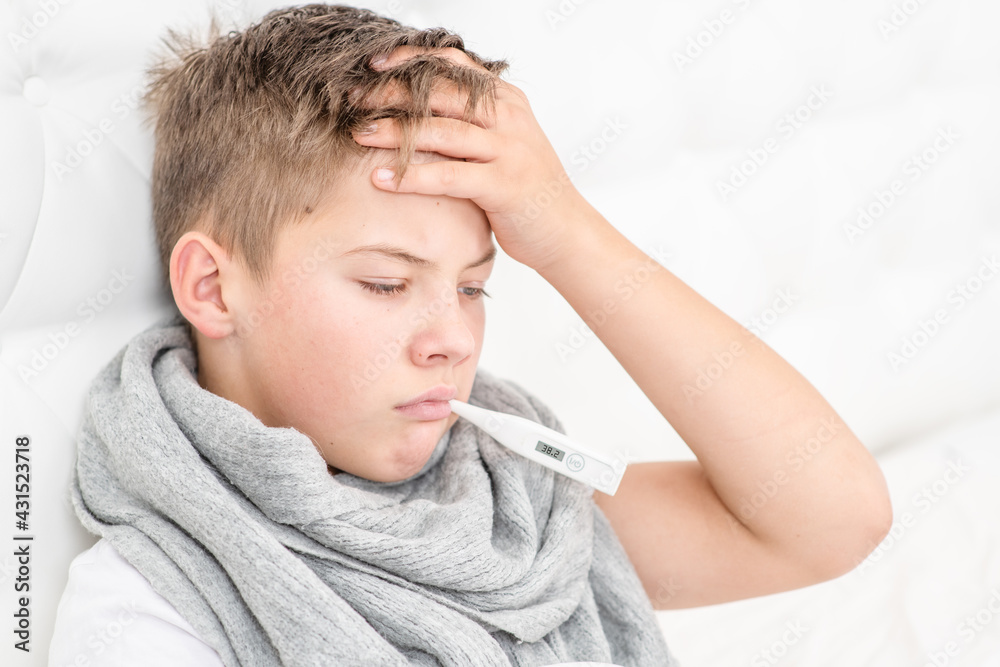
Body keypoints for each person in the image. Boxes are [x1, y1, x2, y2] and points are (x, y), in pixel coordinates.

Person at [49, 3, 893, 666]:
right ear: (211, 286)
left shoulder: (514, 511)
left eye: (474, 286)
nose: (453, 337)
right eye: (387, 281)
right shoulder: (155, 605)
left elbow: (830, 517)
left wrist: (566, 231)